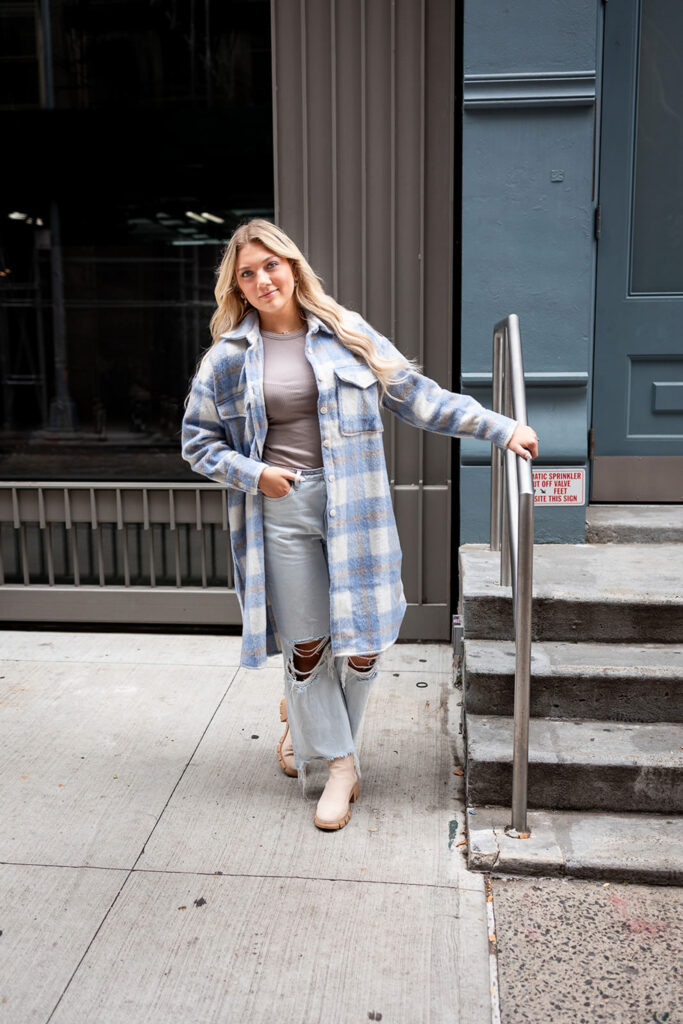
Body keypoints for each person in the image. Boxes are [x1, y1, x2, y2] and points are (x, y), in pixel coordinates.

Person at [181, 219, 538, 832]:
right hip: (283, 507)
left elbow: (418, 396)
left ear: (292, 266)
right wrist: (256, 474)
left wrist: (499, 427)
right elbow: (198, 443)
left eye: (271, 265)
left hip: (358, 507)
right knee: (309, 644)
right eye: (248, 273)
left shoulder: (346, 333)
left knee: (365, 641)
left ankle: (307, 725)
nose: (263, 279)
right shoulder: (228, 359)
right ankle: (341, 767)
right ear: (237, 287)